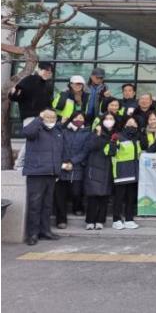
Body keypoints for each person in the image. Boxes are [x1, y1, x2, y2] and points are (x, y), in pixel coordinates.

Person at [22, 108, 63, 245]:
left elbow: (59, 152)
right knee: (35, 204)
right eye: (47, 117)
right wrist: (39, 119)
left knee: (47, 205)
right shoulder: (36, 128)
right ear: (42, 117)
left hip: (51, 173)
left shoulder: (57, 132)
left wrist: (57, 171)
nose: (50, 120)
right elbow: (26, 132)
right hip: (36, 173)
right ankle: (32, 234)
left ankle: (45, 231)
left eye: (53, 117)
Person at [9, 62, 54, 169]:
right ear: (39, 69)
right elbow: (15, 96)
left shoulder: (48, 85)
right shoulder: (29, 79)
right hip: (31, 116)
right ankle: (19, 164)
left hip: (44, 117)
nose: (48, 73)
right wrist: (13, 92)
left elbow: (49, 103)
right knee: (31, 140)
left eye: (50, 71)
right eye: (46, 70)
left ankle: (31, 164)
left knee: (41, 141)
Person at [55, 111, 90, 229]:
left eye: (81, 118)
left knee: (76, 192)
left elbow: (85, 151)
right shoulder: (63, 131)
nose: (79, 119)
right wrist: (63, 162)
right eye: (76, 117)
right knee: (60, 195)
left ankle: (78, 207)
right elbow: (56, 145)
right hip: (61, 166)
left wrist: (72, 161)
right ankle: (61, 220)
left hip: (77, 166)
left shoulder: (87, 133)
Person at [107, 116, 142, 230]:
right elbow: (111, 152)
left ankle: (129, 219)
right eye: (129, 123)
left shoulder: (137, 138)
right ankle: (116, 220)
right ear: (124, 125)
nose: (132, 125)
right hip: (121, 171)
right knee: (119, 197)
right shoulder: (118, 136)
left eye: (134, 123)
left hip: (134, 171)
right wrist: (113, 141)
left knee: (131, 198)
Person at [83, 113, 116, 230]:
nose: (109, 120)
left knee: (104, 196)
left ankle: (100, 220)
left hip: (108, 167)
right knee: (93, 196)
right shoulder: (94, 133)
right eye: (106, 118)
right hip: (94, 165)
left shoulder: (116, 134)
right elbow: (90, 146)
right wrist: (97, 134)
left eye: (111, 119)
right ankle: (90, 221)